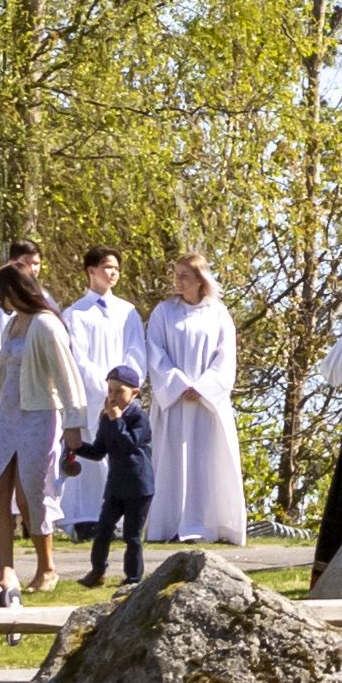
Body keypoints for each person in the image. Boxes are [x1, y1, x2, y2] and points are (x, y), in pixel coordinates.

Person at [0, 262, 94, 607]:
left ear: (15, 290)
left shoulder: (45, 324)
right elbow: (3, 378)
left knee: (31, 494)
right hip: (6, 416)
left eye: (4, 295)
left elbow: (67, 377)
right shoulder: (13, 325)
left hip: (39, 416)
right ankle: (6, 570)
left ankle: (47, 568)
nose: (2, 303)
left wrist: (73, 424)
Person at [138, 252, 250, 547]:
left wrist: (202, 387)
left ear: (200, 280)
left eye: (183, 276)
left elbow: (226, 357)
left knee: (206, 462)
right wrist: (178, 385)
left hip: (206, 406)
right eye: (176, 275)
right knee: (172, 461)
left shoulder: (218, 313)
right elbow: (156, 352)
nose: (177, 281)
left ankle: (209, 524)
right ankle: (170, 523)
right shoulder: (164, 313)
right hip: (174, 404)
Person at [53, 251, 138, 542]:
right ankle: (86, 519)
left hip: (121, 399)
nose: (113, 273)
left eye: (116, 268)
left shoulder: (128, 311)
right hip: (90, 397)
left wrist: (124, 388)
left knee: (121, 456)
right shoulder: (75, 313)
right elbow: (78, 357)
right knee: (91, 457)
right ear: (91, 271)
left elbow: (135, 351)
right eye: (106, 268)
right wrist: (105, 389)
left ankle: (121, 518)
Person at [79, 366, 156, 586]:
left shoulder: (138, 417)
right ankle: (97, 572)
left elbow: (130, 445)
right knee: (103, 530)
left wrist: (117, 420)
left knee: (131, 536)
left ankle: (133, 578)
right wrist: (76, 447)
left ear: (134, 393)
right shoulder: (108, 418)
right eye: (110, 390)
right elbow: (99, 450)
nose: (113, 396)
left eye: (119, 391)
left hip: (138, 486)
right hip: (116, 486)